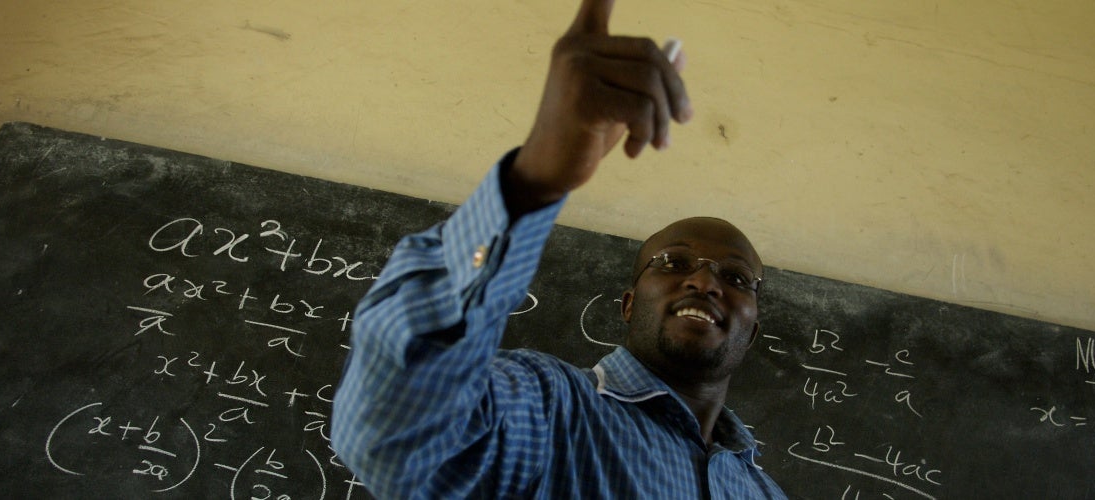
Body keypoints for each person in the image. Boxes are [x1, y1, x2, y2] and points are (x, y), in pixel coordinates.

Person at [331, 0, 787, 497]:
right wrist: (532, 182)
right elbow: (394, 434)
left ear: (754, 331)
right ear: (629, 305)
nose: (704, 282)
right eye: (674, 263)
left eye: (736, 279)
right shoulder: (554, 409)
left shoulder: (762, 490)